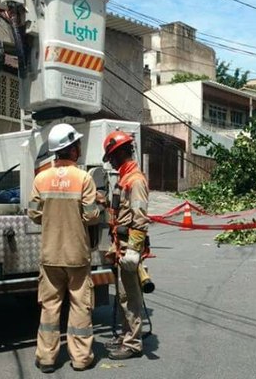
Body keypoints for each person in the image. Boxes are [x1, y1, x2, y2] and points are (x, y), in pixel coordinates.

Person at [28, 123, 101, 373]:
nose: (79, 148)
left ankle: (47, 358)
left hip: (50, 255)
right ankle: (80, 358)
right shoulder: (84, 178)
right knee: (80, 305)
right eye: (77, 144)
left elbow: (34, 214)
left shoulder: (41, 178)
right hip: (77, 255)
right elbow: (91, 216)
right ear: (71, 149)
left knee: (50, 306)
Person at [102, 130, 149, 360]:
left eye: (112, 156)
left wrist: (134, 249)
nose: (110, 160)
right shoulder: (123, 178)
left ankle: (133, 344)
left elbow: (140, 217)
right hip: (120, 245)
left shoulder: (135, 180)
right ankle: (126, 336)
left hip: (129, 245)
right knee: (122, 295)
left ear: (121, 153)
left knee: (130, 296)